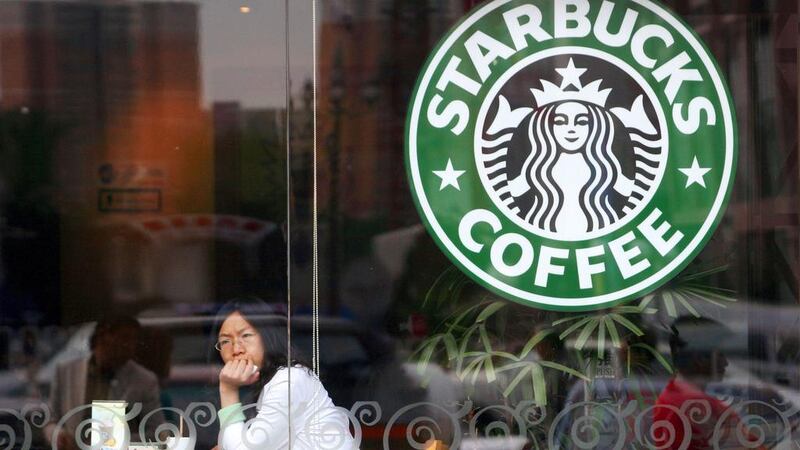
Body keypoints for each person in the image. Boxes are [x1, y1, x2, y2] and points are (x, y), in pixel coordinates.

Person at [212, 300, 357, 449]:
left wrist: (228, 390)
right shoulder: (273, 380)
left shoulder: (289, 379)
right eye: (225, 341)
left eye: (246, 335)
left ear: (268, 337)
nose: (236, 349)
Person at [43, 315, 165, 448]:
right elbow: (51, 420)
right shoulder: (66, 372)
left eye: (134, 340)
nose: (131, 346)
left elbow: (157, 433)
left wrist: (116, 440)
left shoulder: (143, 380)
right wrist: (58, 435)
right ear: (103, 337)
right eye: (125, 338)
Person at [654, 317, 767, 449]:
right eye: (720, 354)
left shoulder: (668, 398)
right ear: (699, 358)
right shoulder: (703, 406)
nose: (725, 363)